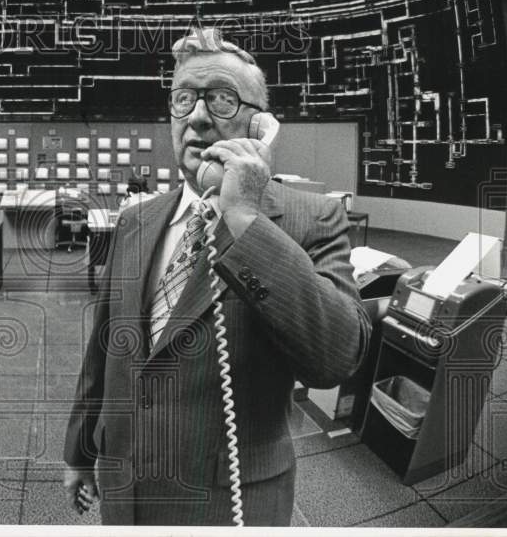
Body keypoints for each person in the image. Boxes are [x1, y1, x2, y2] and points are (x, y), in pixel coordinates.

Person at [63, 28, 370, 526]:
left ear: (261, 125)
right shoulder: (134, 220)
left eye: (224, 99)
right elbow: (105, 347)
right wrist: (79, 450)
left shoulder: (312, 219)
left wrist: (244, 222)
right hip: (125, 489)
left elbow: (337, 357)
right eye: (184, 99)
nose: (199, 116)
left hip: (226, 501)